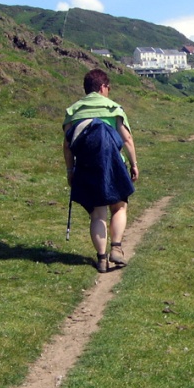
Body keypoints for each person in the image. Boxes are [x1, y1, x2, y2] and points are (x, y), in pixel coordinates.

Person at [63, 68, 139, 273]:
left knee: (97, 214)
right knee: (119, 207)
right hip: (113, 164)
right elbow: (127, 139)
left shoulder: (73, 111)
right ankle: (116, 248)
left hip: (87, 166)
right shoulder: (113, 108)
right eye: (108, 87)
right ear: (103, 87)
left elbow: (68, 145)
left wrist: (70, 170)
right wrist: (133, 164)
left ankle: (102, 259)